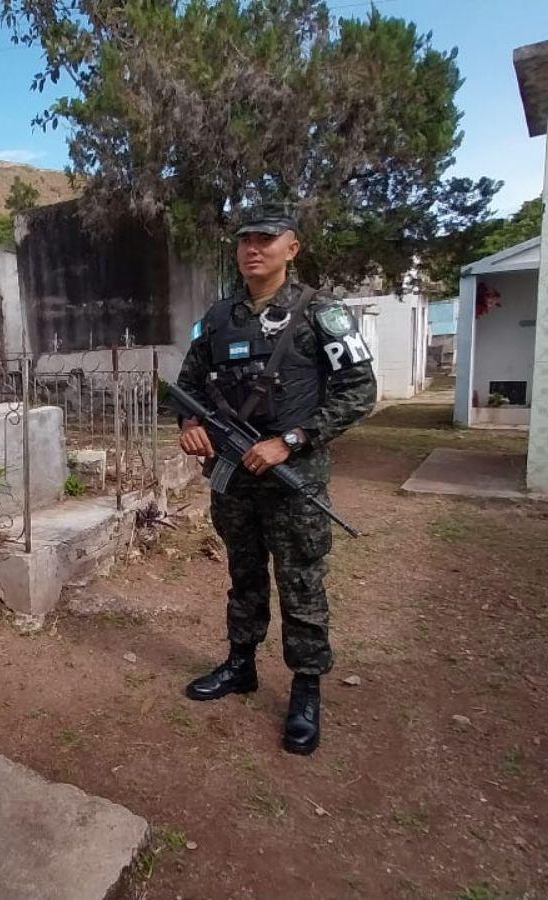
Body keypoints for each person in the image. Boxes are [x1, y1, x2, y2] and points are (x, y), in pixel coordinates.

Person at [176, 204, 376, 756]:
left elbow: (359, 392)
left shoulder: (319, 314)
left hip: (295, 481)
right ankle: (241, 665)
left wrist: (290, 440)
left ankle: (306, 691)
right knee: (243, 575)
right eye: (244, 240)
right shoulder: (217, 319)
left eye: (266, 239)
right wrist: (190, 426)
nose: (252, 248)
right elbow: (185, 386)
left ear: (293, 249)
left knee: (302, 585)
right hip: (234, 479)